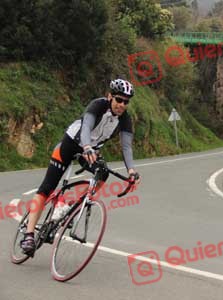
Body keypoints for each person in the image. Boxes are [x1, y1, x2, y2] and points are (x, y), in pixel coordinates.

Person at [20, 79, 141, 257]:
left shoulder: (125, 119)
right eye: (119, 99)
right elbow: (86, 128)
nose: (122, 104)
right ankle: (29, 235)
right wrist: (86, 147)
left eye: (126, 101)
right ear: (110, 97)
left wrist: (131, 171)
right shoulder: (98, 105)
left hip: (90, 151)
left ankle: (70, 207)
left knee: (103, 174)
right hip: (72, 144)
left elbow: (126, 147)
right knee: (47, 188)